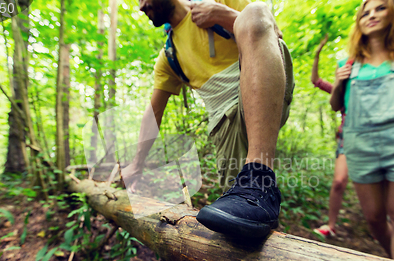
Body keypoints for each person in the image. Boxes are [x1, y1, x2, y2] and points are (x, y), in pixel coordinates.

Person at [122, 0, 295, 239]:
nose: (141, 7)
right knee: (242, 221)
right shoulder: (169, 56)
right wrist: (136, 164)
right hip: (225, 127)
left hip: (265, 93)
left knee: (255, 11)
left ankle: (259, 174)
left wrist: (224, 16)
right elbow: (153, 114)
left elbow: (270, 31)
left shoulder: (219, 2)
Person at [330, 0, 394, 261]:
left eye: (380, 8)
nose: (372, 15)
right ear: (359, 23)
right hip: (360, 144)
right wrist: (339, 82)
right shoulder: (348, 62)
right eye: (365, 13)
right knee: (374, 218)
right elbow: (335, 105)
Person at [311, 34, 348, 238]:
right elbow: (315, 80)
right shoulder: (340, 90)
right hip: (348, 138)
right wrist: (317, 54)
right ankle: (331, 225)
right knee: (339, 181)